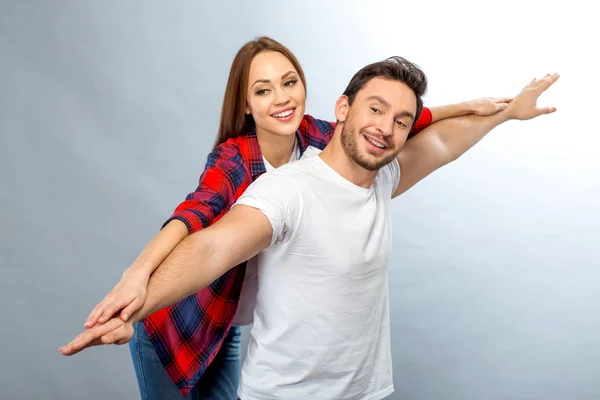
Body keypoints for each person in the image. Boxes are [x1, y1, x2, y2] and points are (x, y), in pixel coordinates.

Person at [61, 55, 559, 399]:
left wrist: (504, 115)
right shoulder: (283, 186)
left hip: (364, 391)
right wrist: (136, 297)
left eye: (401, 121)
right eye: (375, 109)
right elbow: (210, 245)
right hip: (208, 338)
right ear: (344, 108)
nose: (386, 127)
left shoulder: (377, 169)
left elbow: (444, 141)